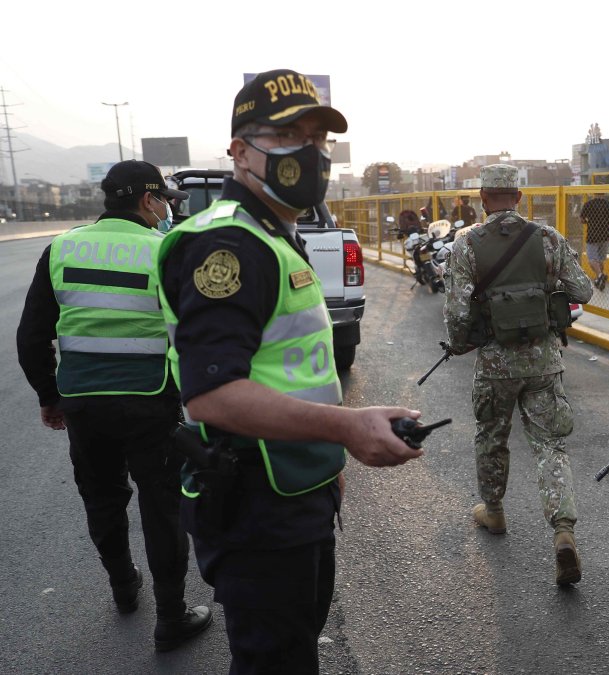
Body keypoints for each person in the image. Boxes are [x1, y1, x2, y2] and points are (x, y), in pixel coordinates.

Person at [157, 69, 424, 673]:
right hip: (257, 507)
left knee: (291, 644)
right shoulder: (228, 247)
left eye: (318, 138)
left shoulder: (275, 233)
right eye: (288, 136)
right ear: (239, 151)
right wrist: (346, 429)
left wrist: (328, 466)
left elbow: (288, 369)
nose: (309, 152)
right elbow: (214, 395)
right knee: (276, 661)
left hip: (293, 491)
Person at [16, 160, 212, 651]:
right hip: (150, 402)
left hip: (82, 402)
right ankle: (171, 616)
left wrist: (49, 396)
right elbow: (198, 333)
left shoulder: (61, 248)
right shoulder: (167, 248)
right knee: (160, 505)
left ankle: (124, 588)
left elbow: (32, 336)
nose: (167, 208)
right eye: (165, 199)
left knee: (102, 498)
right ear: (148, 201)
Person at [443, 163, 593, 586]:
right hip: (544, 362)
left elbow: (456, 314)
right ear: (520, 198)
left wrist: (459, 344)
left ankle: (493, 512)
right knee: (550, 446)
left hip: (494, 364)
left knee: (492, 437)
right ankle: (563, 530)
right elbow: (583, 290)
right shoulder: (547, 239)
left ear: (482, 198)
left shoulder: (466, 245)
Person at [580, 195, 609, 290]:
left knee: (592, 259)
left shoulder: (588, 204)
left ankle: (600, 275)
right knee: (600, 259)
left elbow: (582, 219)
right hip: (605, 235)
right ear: (603, 193)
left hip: (592, 235)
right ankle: (599, 280)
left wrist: (589, 221)